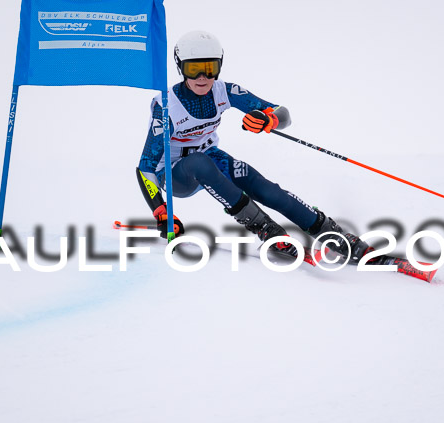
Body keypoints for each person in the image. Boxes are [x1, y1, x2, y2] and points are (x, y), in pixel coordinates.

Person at [136, 30, 372, 262]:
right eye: (193, 69)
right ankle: (267, 230)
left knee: (264, 188)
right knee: (200, 162)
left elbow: (283, 113)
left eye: (210, 68)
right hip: (175, 174)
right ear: (181, 68)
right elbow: (145, 166)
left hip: (210, 159)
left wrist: (269, 119)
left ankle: (332, 233)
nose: (202, 77)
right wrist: (161, 211)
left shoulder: (224, 91)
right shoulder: (167, 106)